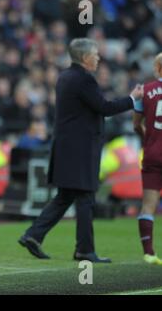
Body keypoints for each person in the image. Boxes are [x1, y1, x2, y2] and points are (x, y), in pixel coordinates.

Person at [18, 38, 144, 263]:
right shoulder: (84, 79)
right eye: (95, 54)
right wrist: (132, 98)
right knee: (85, 197)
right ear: (85, 58)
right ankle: (84, 250)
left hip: (66, 148)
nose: (98, 58)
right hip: (80, 150)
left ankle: (33, 235)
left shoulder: (65, 77)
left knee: (65, 196)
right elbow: (104, 107)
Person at [132, 52, 162, 265]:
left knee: (148, 205)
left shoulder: (146, 91)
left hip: (152, 154)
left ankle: (149, 253)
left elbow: (136, 124)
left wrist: (147, 138)